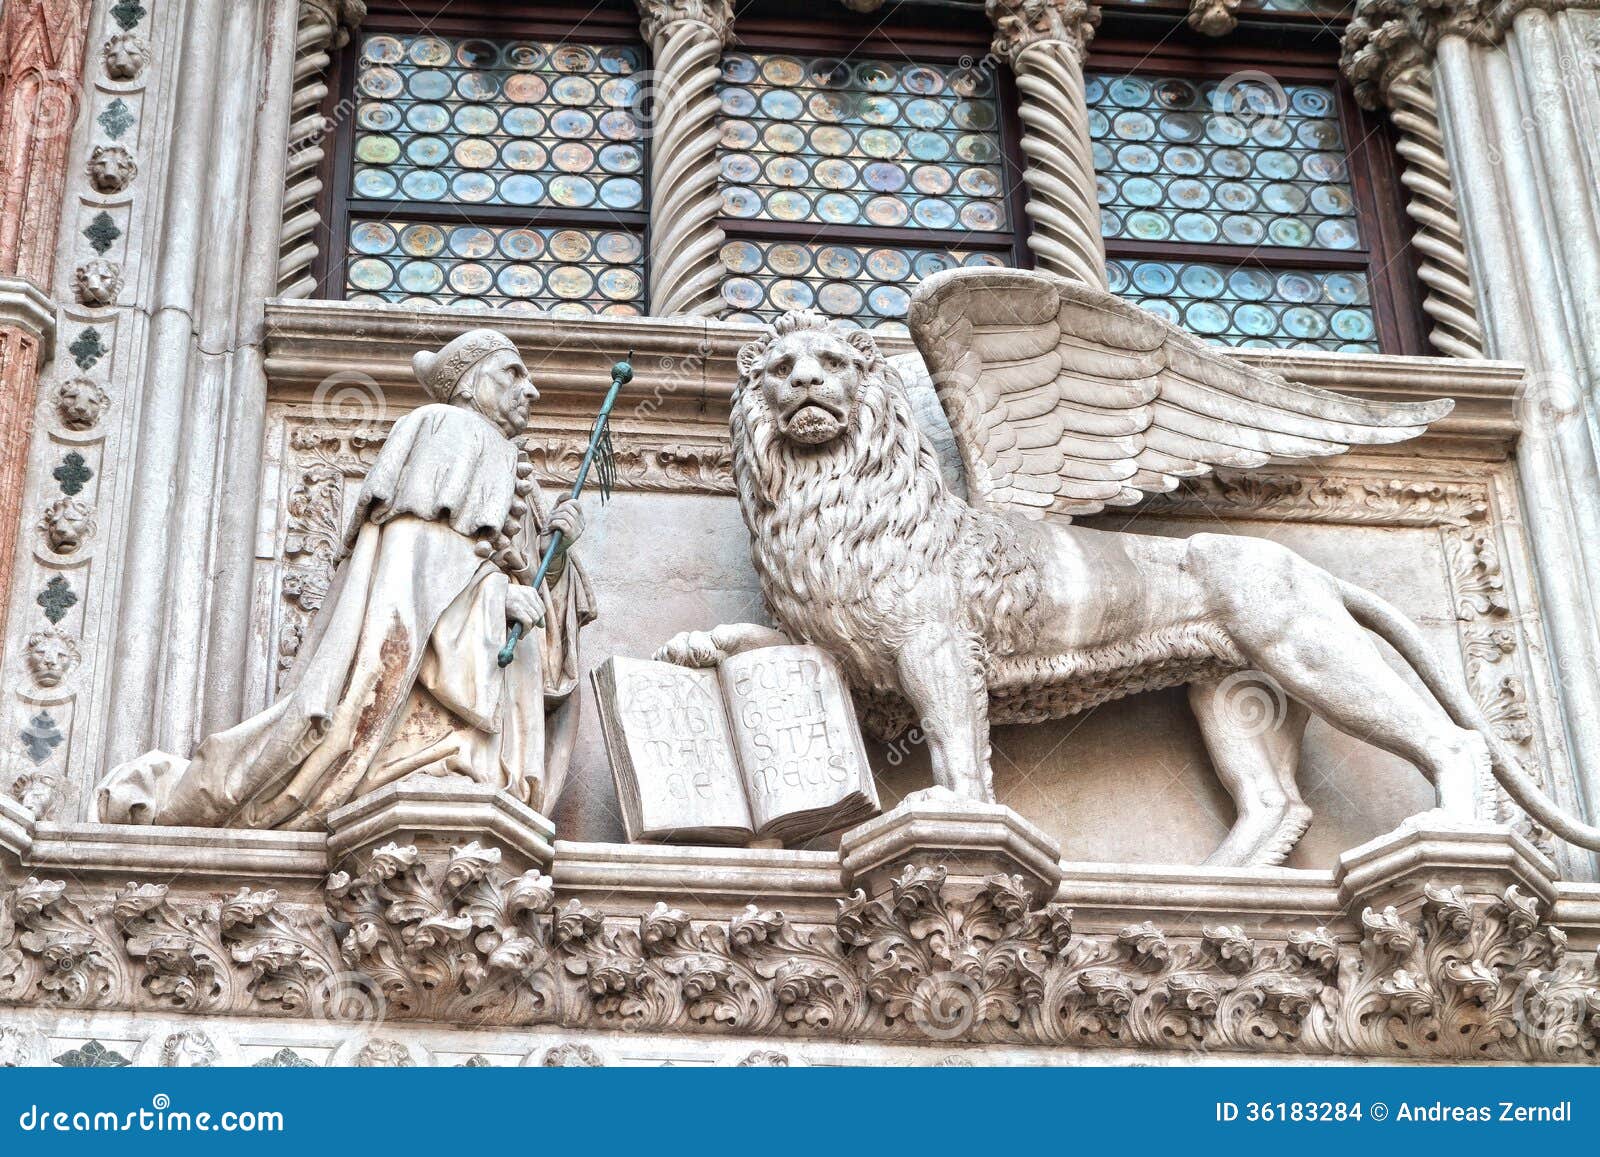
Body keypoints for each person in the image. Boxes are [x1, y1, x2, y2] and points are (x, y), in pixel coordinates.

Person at [97, 329, 594, 829]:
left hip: (488, 695)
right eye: (513, 373)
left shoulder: (510, 465)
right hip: (434, 692)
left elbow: (522, 583)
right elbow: (413, 564)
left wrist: (555, 558)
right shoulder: (449, 428)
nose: (531, 390)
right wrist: (493, 602)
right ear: (467, 384)